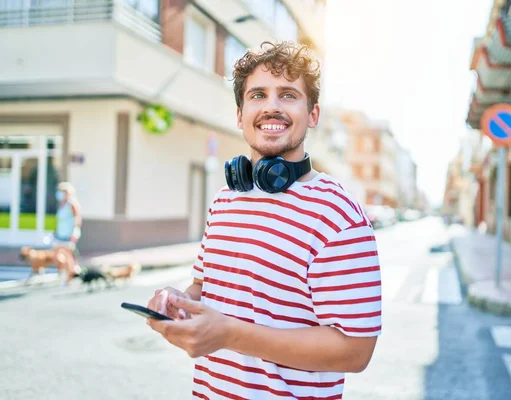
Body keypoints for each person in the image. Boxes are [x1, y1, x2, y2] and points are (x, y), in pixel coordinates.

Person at [147, 41, 382, 399]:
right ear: (240, 115)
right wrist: (176, 299)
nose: (271, 107)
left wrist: (229, 334)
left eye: (288, 95)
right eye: (257, 95)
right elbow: (204, 286)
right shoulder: (226, 199)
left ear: (313, 114)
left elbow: (355, 351)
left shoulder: (338, 214)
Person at [54, 182, 82, 281]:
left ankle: (69, 276)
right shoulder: (61, 204)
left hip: (69, 235)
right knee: (58, 255)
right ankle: (65, 273)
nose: (60, 194)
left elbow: (77, 219)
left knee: (68, 255)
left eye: (62, 192)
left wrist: (75, 231)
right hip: (60, 234)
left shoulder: (72, 204)